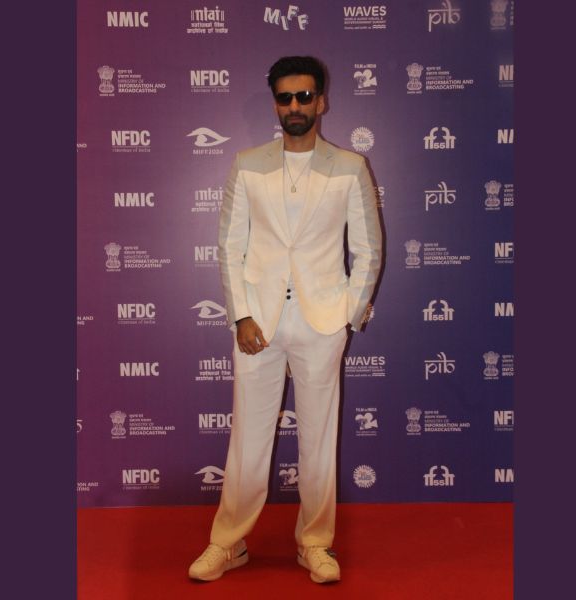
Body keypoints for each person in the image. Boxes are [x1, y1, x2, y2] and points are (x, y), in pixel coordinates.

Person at [188, 56, 382, 584]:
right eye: (285, 97)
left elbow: (369, 250)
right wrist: (241, 315)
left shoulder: (350, 167)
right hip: (260, 323)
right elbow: (230, 247)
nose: (295, 106)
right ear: (275, 104)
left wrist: (346, 317)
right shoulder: (247, 164)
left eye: (304, 96)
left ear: (322, 101)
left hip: (322, 323)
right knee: (248, 439)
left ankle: (315, 543)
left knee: (319, 441)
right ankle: (228, 543)